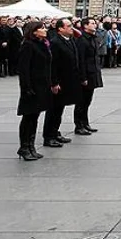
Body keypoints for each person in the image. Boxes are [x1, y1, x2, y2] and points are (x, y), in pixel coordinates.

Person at [17, 22, 52, 161]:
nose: (45, 30)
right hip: (32, 86)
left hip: (42, 85)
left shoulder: (42, 44)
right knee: (28, 117)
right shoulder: (28, 45)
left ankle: (31, 146)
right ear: (34, 31)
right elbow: (23, 69)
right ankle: (24, 147)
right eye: (41, 28)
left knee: (34, 117)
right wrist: (26, 87)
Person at [43, 18, 81, 147]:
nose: (72, 28)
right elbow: (52, 65)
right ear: (60, 29)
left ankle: (55, 132)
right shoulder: (55, 42)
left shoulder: (70, 40)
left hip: (68, 80)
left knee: (59, 109)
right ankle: (49, 136)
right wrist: (54, 83)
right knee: (53, 110)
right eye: (69, 26)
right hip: (59, 81)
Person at [74, 17, 103, 135]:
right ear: (85, 26)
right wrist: (83, 77)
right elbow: (80, 60)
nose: (95, 25)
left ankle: (85, 123)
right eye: (92, 23)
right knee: (81, 101)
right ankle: (79, 125)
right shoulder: (82, 40)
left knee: (87, 100)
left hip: (93, 72)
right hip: (86, 73)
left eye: (95, 23)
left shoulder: (93, 38)